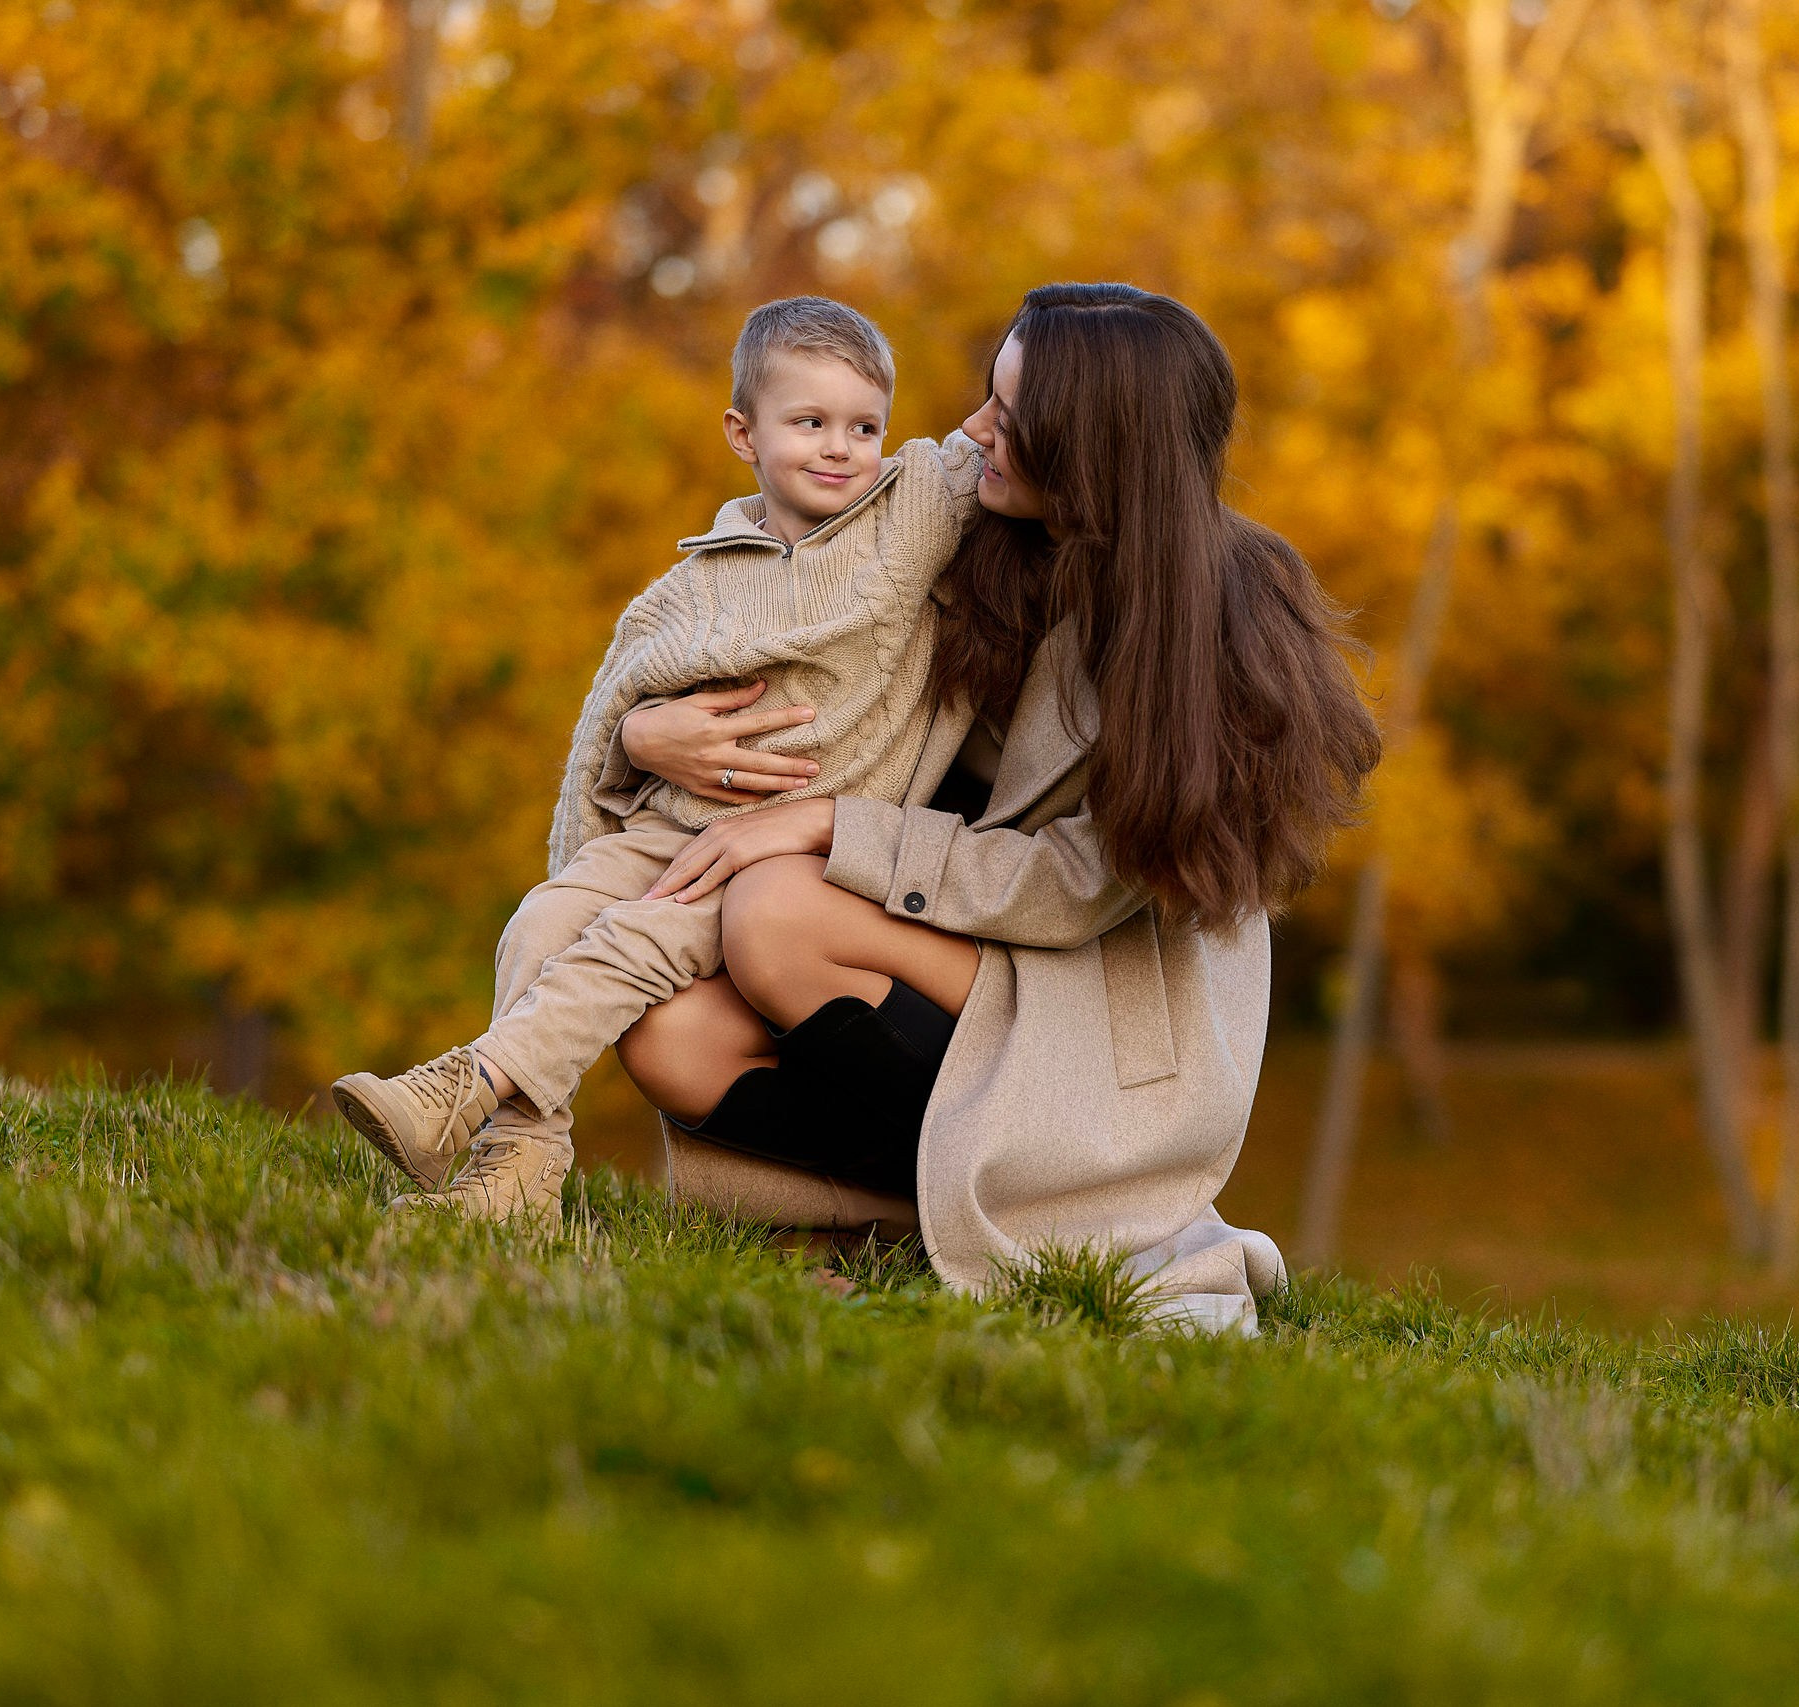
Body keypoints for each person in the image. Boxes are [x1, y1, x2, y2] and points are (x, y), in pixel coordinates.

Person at [609, 282, 1383, 1331]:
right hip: (968, 947)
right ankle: (940, 1227)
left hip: (1096, 1002)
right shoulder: (975, 533)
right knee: (667, 1035)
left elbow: (1075, 887)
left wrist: (833, 828)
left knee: (773, 914)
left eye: (1011, 417)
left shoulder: (1218, 621)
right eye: (990, 395)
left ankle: (1058, 1211)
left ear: (1092, 444)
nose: (975, 428)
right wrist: (643, 730)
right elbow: (781, 636)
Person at [328, 296, 980, 1228]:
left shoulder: (904, 522)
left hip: (784, 860)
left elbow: (998, 441)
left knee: (631, 944)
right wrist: (640, 733)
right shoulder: (694, 583)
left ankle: (471, 1081)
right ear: (741, 434)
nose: (840, 447)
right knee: (546, 919)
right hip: (666, 826)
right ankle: (521, 1165)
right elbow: (615, 708)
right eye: (809, 422)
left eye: (863, 426)